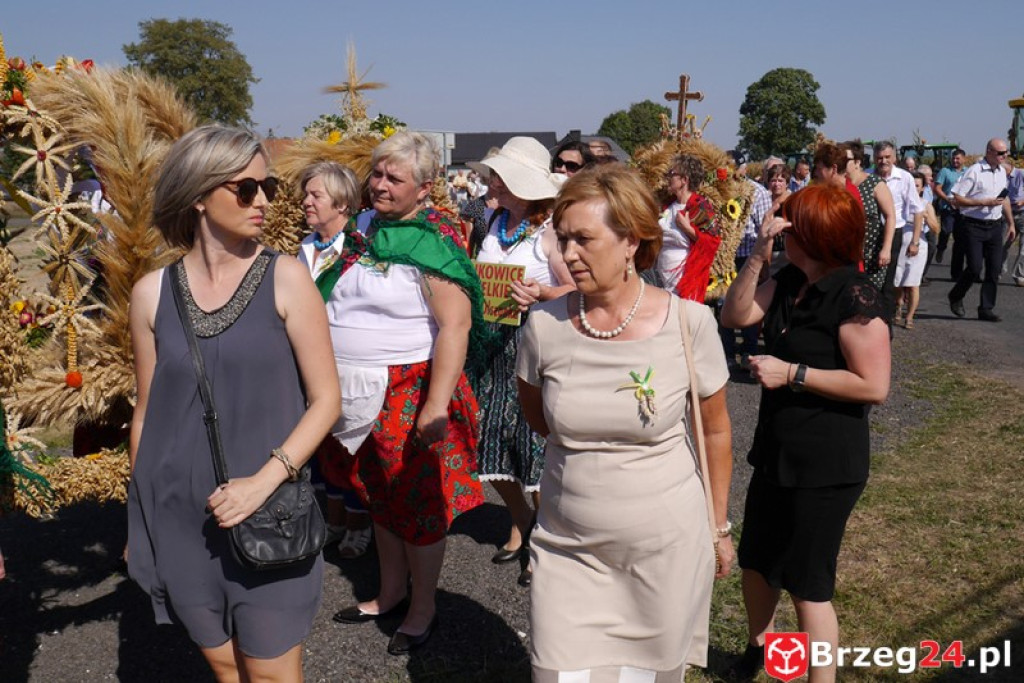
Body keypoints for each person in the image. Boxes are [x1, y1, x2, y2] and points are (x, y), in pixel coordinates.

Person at [127, 124, 341, 682]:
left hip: (270, 512)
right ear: (200, 193)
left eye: (267, 187)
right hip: (181, 520)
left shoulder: (287, 279)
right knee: (226, 671)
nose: (264, 202)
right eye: (246, 189)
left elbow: (326, 401)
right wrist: (143, 523)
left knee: (270, 673)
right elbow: (147, 414)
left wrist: (263, 482)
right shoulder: (151, 293)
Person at [517, 165, 734, 681]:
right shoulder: (544, 328)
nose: (568, 254)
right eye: (563, 238)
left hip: (662, 556)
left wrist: (719, 526)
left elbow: (716, 430)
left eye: (584, 239)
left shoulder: (689, 322)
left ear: (631, 240)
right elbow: (539, 417)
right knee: (555, 672)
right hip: (567, 551)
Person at [721, 185, 891, 683]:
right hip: (776, 451)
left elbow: (874, 385)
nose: (782, 226)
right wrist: (757, 256)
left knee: (807, 585)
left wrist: (793, 373)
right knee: (757, 564)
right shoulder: (790, 277)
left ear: (816, 233)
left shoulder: (856, 296)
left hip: (826, 464)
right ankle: (766, 652)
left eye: (791, 222)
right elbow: (735, 314)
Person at [327, 131, 486, 656]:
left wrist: (436, 406)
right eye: (376, 174)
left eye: (394, 178)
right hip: (358, 390)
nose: (379, 185)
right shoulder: (365, 228)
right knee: (377, 496)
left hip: (410, 390)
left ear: (425, 187)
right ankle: (390, 592)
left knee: (418, 504)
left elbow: (456, 326)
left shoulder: (432, 237)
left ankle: (423, 607)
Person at [467, 137, 573, 587]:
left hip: (531, 345)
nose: (490, 183)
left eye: (499, 178)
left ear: (522, 187)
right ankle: (524, 522)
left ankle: (546, 538)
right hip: (489, 345)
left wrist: (539, 295)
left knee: (530, 446)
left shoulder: (549, 233)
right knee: (486, 440)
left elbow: (575, 288)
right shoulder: (490, 221)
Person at [295, 161, 374, 559]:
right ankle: (335, 521)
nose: (306, 202)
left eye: (315, 196)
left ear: (342, 204)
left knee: (349, 447)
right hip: (311, 364)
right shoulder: (305, 248)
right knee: (323, 449)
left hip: (348, 363)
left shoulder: (362, 248)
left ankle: (361, 524)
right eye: (306, 194)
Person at [948, 139, 1015, 322]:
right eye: (1001, 153)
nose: (1005, 156)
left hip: (994, 226)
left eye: (1005, 152)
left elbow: (1004, 199)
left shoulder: (1002, 172)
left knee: (994, 269)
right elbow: (957, 198)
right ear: (989, 152)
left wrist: (1011, 223)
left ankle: (986, 308)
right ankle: (956, 295)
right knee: (975, 268)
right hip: (973, 225)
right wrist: (982, 202)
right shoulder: (975, 171)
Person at [656, 154, 722, 301]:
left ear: (684, 180)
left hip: (685, 276)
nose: (668, 178)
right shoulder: (668, 206)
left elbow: (713, 242)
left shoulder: (700, 206)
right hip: (662, 274)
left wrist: (687, 229)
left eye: (672, 174)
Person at [873, 141, 924, 315]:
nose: (883, 161)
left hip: (894, 232)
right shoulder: (867, 176)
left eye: (887, 157)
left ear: (894, 158)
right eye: (880, 158)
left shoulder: (904, 178)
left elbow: (918, 210)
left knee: (888, 278)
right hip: (871, 231)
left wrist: (915, 242)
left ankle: (885, 320)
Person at [844, 140, 897, 292]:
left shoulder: (875, 183)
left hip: (872, 253)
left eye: (845, 160)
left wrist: (886, 248)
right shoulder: (841, 185)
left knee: (869, 296)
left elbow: (890, 216)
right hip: (848, 252)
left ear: (857, 162)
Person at [893, 172, 938, 328]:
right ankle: (898, 306)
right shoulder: (900, 202)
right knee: (897, 280)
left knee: (913, 282)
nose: (913, 188)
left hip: (918, 244)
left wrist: (926, 215)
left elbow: (936, 229)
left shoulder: (926, 204)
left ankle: (910, 316)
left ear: (923, 188)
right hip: (900, 242)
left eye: (917, 185)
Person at [933, 148, 967, 268]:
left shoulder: (968, 172)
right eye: (953, 158)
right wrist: (948, 199)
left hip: (963, 209)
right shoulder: (945, 171)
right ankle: (941, 248)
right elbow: (937, 188)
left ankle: (957, 267)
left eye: (957, 158)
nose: (955, 160)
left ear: (964, 159)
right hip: (948, 207)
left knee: (960, 238)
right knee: (946, 231)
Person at [1000, 160, 1024, 286]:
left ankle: (1020, 275)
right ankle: (998, 271)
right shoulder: (1001, 178)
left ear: (1007, 168)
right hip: (1008, 214)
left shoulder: (1021, 174)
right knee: (1003, 244)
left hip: (1022, 213)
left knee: (1023, 248)